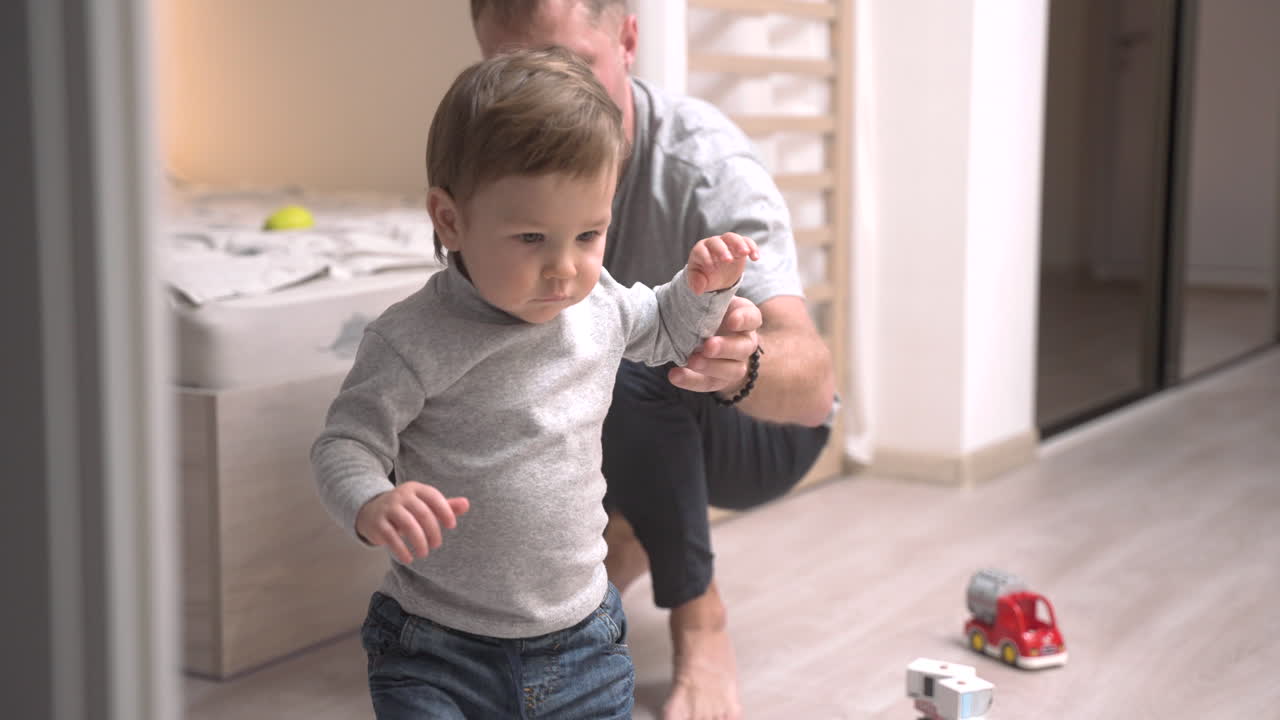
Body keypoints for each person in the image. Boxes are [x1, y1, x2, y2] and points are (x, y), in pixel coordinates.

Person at [311, 47, 760, 719]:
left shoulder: (597, 305)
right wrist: (372, 500)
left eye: (589, 234)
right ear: (450, 219)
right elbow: (344, 444)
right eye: (531, 238)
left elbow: (666, 328)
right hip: (435, 649)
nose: (564, 270)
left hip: (581, 642)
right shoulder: (412, 339)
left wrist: (703, 289)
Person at [471, 2, 839, 719]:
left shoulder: (701, 167)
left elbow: (816, 388)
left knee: (622, 353)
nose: (542, 107)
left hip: (760, 429)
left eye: (571, 67)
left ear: (628, 40)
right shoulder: (488, 173)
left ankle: (702, 625)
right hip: (619, 421)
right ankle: (629, 538)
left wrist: (742, 360)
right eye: (513, 77)